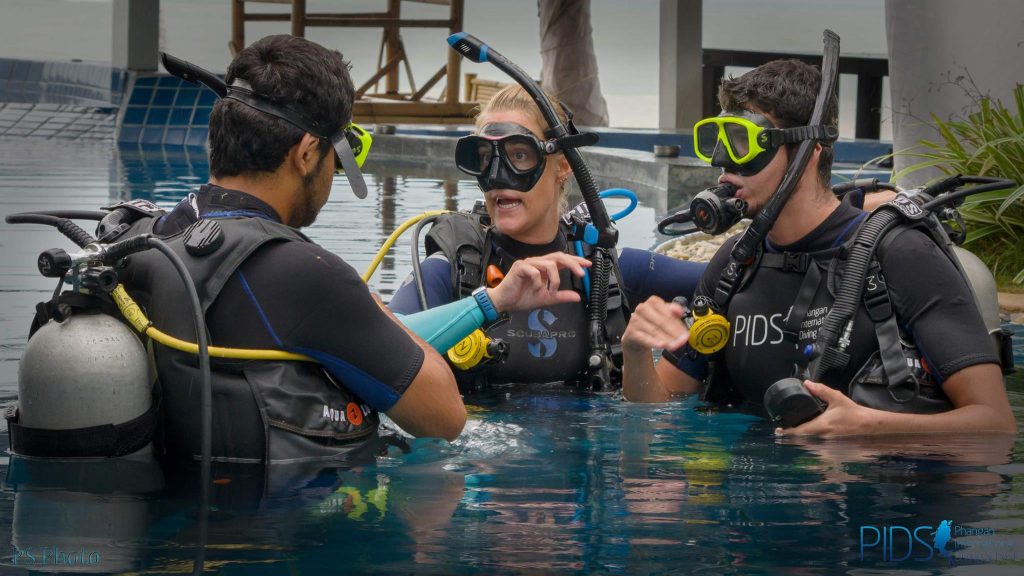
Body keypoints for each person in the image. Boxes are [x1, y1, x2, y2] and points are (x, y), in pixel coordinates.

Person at [114, 35, 590, 463]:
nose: (333, 177)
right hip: (281, 524)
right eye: (338, 156)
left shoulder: (146, 236)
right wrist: (370, 309)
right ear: (306, 154)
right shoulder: (305, 275)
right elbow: (445, 418)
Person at [621, 59, 1016, 436]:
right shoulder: (734, 266)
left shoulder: (901, 254)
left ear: (808, 154)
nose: (723, 165)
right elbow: (660, 407)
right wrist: (636, 351)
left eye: (743, 142)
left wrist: (871, 428)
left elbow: (994, 423)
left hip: (877, 484)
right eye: (717, 141)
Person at [388, 84, 705, 388]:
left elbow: (726, 281)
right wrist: (489, 303)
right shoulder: (453, 269)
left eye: (519, 155)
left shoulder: (603, 271)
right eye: (485, 157)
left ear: (562, 166)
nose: (498, 176)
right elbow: (379, 348)